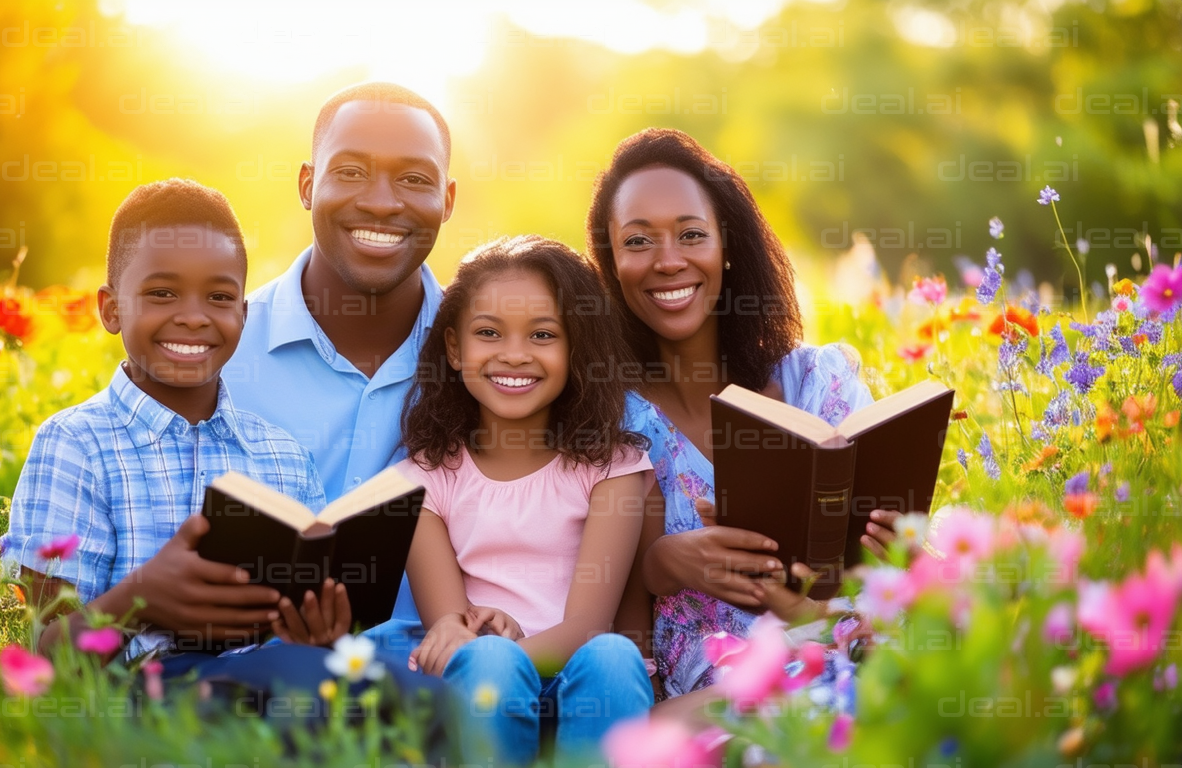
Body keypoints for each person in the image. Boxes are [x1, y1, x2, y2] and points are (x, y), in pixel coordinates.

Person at [2, 179, 432, 706]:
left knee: (413, 696)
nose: (193, 315)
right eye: (162, 293)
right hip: (139, 698)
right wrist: (142, 599)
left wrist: (322, 632)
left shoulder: (280, 456)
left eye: (220, 297)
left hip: (271, 687)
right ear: (111, 309)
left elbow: (306, 635)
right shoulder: (75, 446)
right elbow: (41, 658)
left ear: (244, 317)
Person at [584, 129, 901, 711]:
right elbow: (605, 616)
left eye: (691, 234)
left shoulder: (817, 382)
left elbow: (892, 577)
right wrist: (664, 563)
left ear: (726, 244)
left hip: (853, 654)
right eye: (638, 241)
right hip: (716, 698)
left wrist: (899, 552)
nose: (669, 260)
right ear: (611, 263)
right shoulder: (609, 419)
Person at [397, 236, 655, 765]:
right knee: (486, 661)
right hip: (483, 689)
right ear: (454, 348)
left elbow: (588, 627)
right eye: (488, 333)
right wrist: (480, 644)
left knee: (612, 656)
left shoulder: (613, 468)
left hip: (582, 680)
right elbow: (451, 631)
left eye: (542, 335)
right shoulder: (423, 481)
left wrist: (502, 651)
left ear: (575, 349)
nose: (514, 354)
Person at [226, 83, 456, 662]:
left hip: (439, 688)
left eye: (414, 179)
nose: (382, 202)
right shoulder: (218, 352)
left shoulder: (496, 362)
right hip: (248, 689)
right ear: (308, 185)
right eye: (351, 171)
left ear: (448, 200)